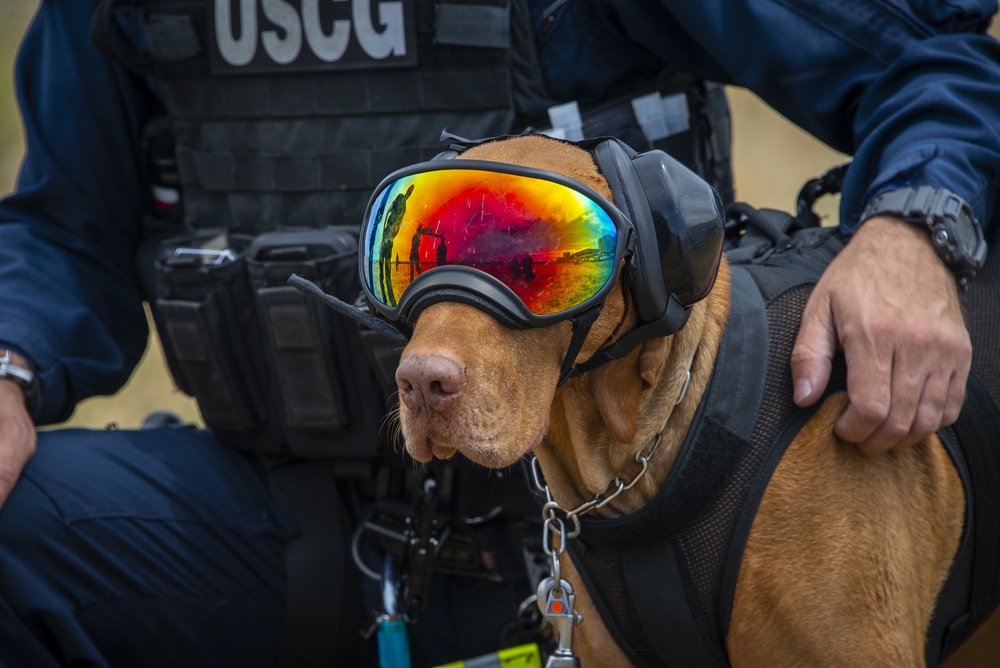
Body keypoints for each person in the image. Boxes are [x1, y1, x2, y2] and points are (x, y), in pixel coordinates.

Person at [0, 1, 997, 667]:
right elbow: (61, 224)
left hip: (609, 518)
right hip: (280, 510)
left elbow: (931, 60)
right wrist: (7, 360)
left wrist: (915, 225)